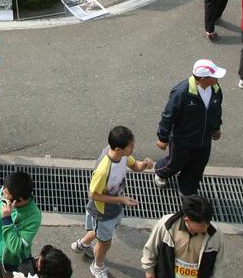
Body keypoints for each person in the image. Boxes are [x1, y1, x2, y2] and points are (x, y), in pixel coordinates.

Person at [71, 125, 154, 278]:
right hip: (102, 212)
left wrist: (143, 165)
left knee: (98, 233)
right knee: (105, 243)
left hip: (113, 208)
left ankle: (81, 245)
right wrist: (121, 199)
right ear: (118, 148)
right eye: (130, 146)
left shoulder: (120, 155)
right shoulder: (103, 170)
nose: (133, 148)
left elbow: (133, 165)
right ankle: (97, 266)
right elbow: (93, 195)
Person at [154, 59, 224, 196]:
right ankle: (161, 173)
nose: (218, 78)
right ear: (203, 79)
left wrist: (216, 127)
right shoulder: (181, 92)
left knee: (197, 166)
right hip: (182, 140)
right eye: (214, 76)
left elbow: (216, 110)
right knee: (174, 164)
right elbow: (168, 115)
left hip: (204, 140)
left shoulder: (216, 89)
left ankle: (187, 189)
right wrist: (162, 138)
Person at [140, 195, 223, 278]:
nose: (206, 229)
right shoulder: (166, 226)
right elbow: (151, 250)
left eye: (207, 224)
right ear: (187, 220)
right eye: (201, 227)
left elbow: (219, 264)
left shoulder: (215, 234)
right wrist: (149, 271)